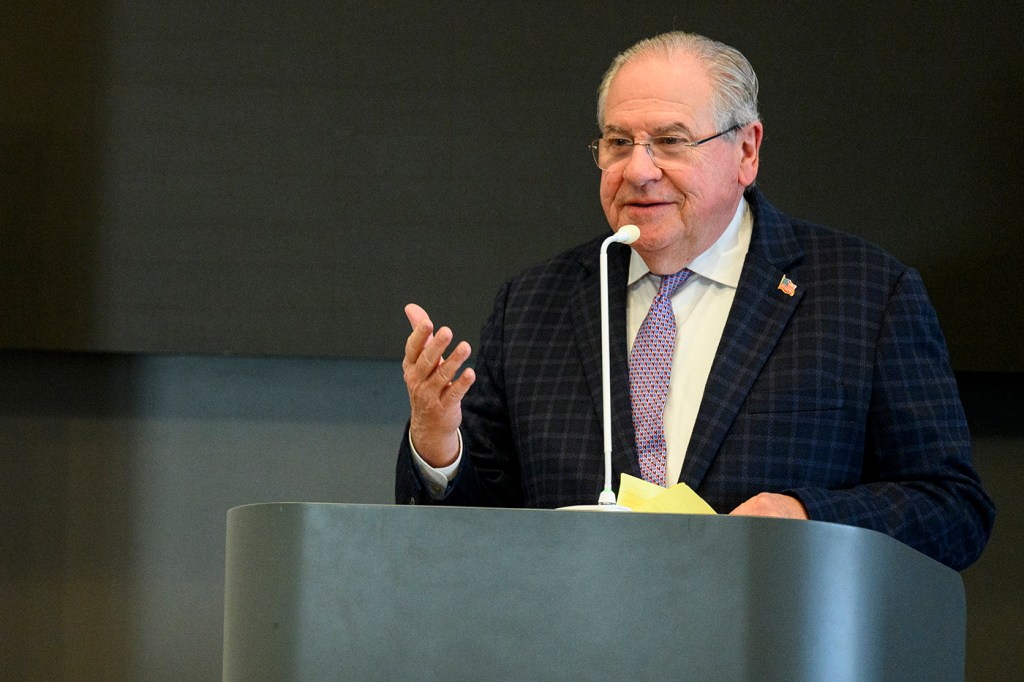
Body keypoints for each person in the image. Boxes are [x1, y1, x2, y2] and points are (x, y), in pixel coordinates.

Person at [395, 31, 994, 570]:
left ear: (746, 152)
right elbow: (473, 533)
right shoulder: (532, 304)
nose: (639, 169)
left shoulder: (866, 294)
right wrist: (437, 444)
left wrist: (806, 519)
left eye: (670, 142)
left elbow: (952, 509)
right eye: (618, 142)